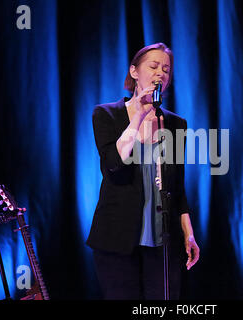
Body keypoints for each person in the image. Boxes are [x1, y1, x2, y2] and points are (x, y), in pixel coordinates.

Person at [86, 42, 200, 300]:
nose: (161, 72)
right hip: (116, 238)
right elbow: (114, 164)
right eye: (154, 66)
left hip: (162, 241)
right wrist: (139, 114)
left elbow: (177, 186)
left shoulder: (175, 124)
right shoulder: (107, 114)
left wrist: (189, 234)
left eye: (166, 69)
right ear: (135, 71)